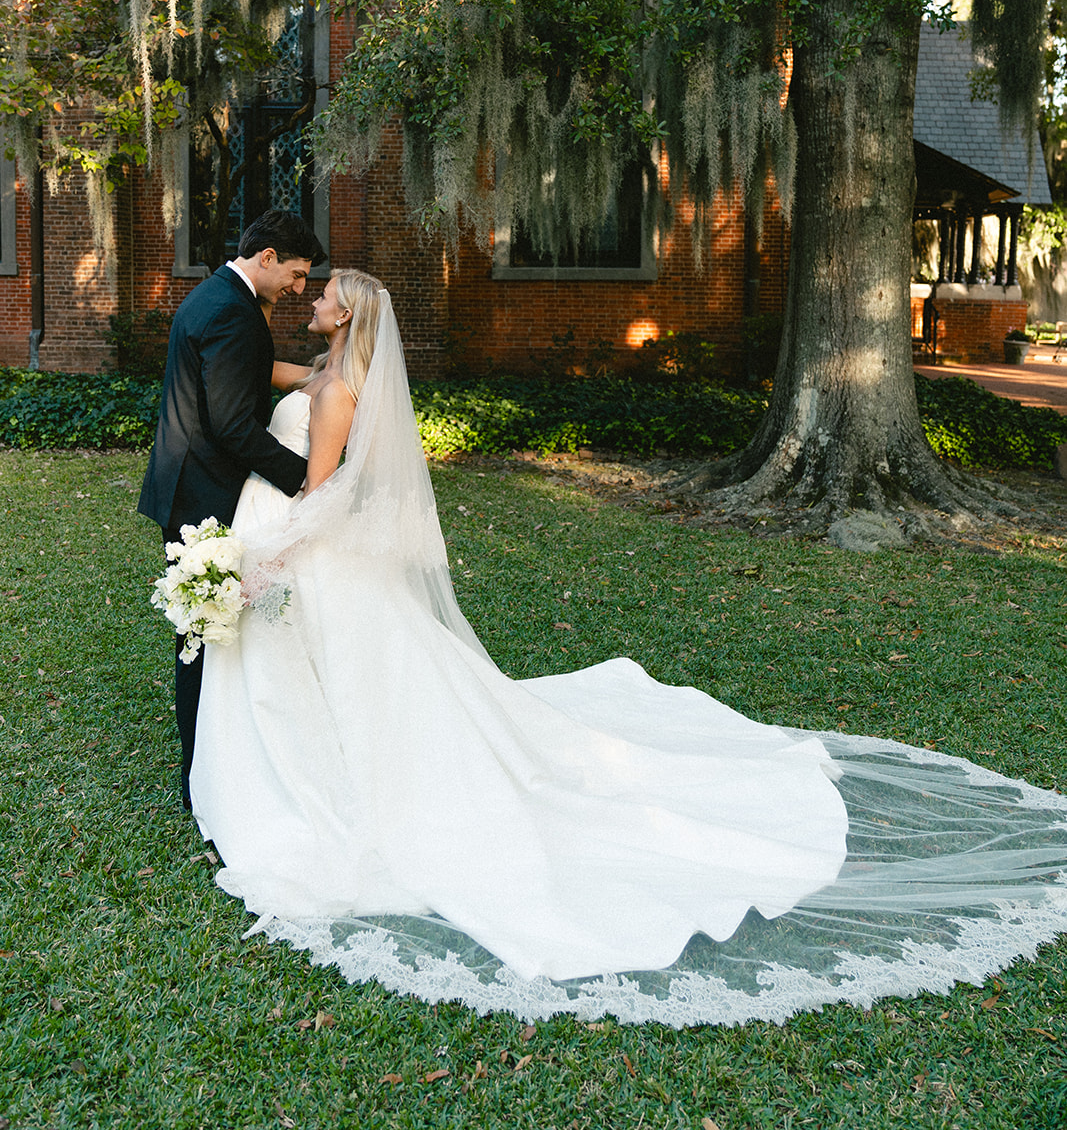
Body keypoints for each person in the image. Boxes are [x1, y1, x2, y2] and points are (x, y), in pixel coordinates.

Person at [189, 272, 1067, 1028]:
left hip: (315, 554)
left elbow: (322, 487)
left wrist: (263, 562)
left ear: (346, 316)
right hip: (320, 549)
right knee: (362, 678)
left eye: (328, 293)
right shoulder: (331, 372)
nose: (317, 296)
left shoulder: (340, 391)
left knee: (366, 682)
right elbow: (273, 372)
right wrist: (210, 343)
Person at [139, 208, 325, 806]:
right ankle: (202, 774)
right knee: (204, 634)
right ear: (267, 257)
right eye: (296, 275)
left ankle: (219, 752)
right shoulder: (231, 312)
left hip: (186, 484)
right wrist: (306, 477)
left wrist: (313, 378)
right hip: (204, 494)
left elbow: (242, 377)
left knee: (209, 629)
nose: (300, 289)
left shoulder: (215, 295)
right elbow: (230, 425)